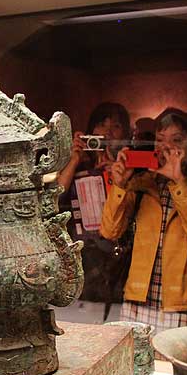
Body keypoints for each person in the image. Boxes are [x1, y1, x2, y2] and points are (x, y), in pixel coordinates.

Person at [100, 108, 187, 332]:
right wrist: (119, 185)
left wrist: (179, 181)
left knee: (173, 354)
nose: (166, 147)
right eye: (160, 139)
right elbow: (110, 231)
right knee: (135, 353)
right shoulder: (141, 183)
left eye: (176, 140)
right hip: (138, 294)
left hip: (182, 298)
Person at [58, 102, 130, 304]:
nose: (107, 132)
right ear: (90, 131)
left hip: (117, 256)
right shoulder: (78, 165)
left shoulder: (128, 169)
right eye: (101, 125)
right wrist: (73, 160)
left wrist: (118, 176)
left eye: (115, 126)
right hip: (83, 254)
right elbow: (54, 198)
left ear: (125, 134)